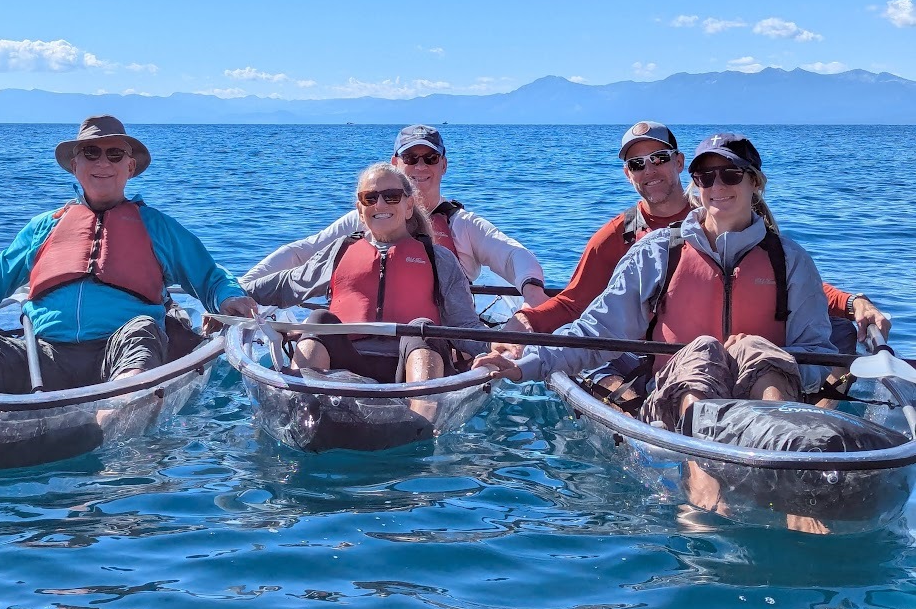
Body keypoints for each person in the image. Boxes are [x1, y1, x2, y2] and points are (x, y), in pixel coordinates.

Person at [476, 133, 840, 431]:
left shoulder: (790, 260)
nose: (717, 185)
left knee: (758, 352)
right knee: (700, 355)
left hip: (762, 403)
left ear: (755, 183)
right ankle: (704, 467)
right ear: (696, 184)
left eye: (730, 175)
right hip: (677, 400)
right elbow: (596, 329)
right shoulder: (656, 252)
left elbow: (815, 349)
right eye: (706, 177)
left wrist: (765, 360)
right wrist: (524, 362)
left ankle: (778, 447)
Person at [0, 115, 258, 395]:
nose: (103, 162)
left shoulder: (158, 227)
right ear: (75, 165)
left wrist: (229, 298)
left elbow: (210, 277)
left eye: (114, 154)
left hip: (121, 349)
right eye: (91, 153)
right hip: (43, 352)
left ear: (130, 167)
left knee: (141, 330)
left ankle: (111, 422)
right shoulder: (44, 227)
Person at [513, 121, 889, 350]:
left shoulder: (725, 211)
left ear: (679, 163)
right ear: (628, 174)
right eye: (637, 164)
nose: (650, 171)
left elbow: (785, 280)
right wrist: (524, 325)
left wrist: (853, 302)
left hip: (750, 354)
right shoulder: (616, 236)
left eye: (659, 158)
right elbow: (575, 303)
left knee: (840, 331)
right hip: (662, 360)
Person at [242, 162, 492, 398]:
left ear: (409, 206)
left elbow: (464, 325)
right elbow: (286, 285)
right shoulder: (339, 252)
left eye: (391, 196)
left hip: (410, 371)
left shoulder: (439, 259)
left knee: (422, 329)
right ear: (360, 211)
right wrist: (230, 294)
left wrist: (497, 348)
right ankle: (300, 404)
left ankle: (422, 417)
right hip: (346, 367)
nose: (379, 204)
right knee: (319, 320)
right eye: (369, 198)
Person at [244, 124, 549, 306]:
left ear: (443, 165)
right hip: (362, 333)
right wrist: (239, 289)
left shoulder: (463, 225)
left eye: (430, 158)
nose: (420, 167)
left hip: (433, 340)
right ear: (395, 164)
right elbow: (301, 255)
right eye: (410, 158)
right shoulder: (363, 219)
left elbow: (513, 255)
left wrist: (533, 293)